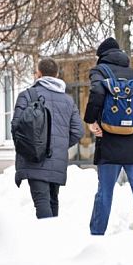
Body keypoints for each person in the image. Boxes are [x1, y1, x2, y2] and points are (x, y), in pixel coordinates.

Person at [84, 37, 133, 237]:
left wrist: (91, 119)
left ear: (101, 56)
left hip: (109, 141)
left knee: (105, 191)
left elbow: (97, 91)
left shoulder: (99, 72)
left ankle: (97, 233)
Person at [12, 57, 83, 218]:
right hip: (56, 159)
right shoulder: (68, 100)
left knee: (42, 202)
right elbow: (78, 131)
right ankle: (54, 238)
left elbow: (16, 126)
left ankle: (48, 239)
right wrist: (59, 145)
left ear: (39, 73)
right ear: (57, 74)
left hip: (33, 157)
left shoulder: (27, 95)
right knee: (52, 200)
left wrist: (29, 145)